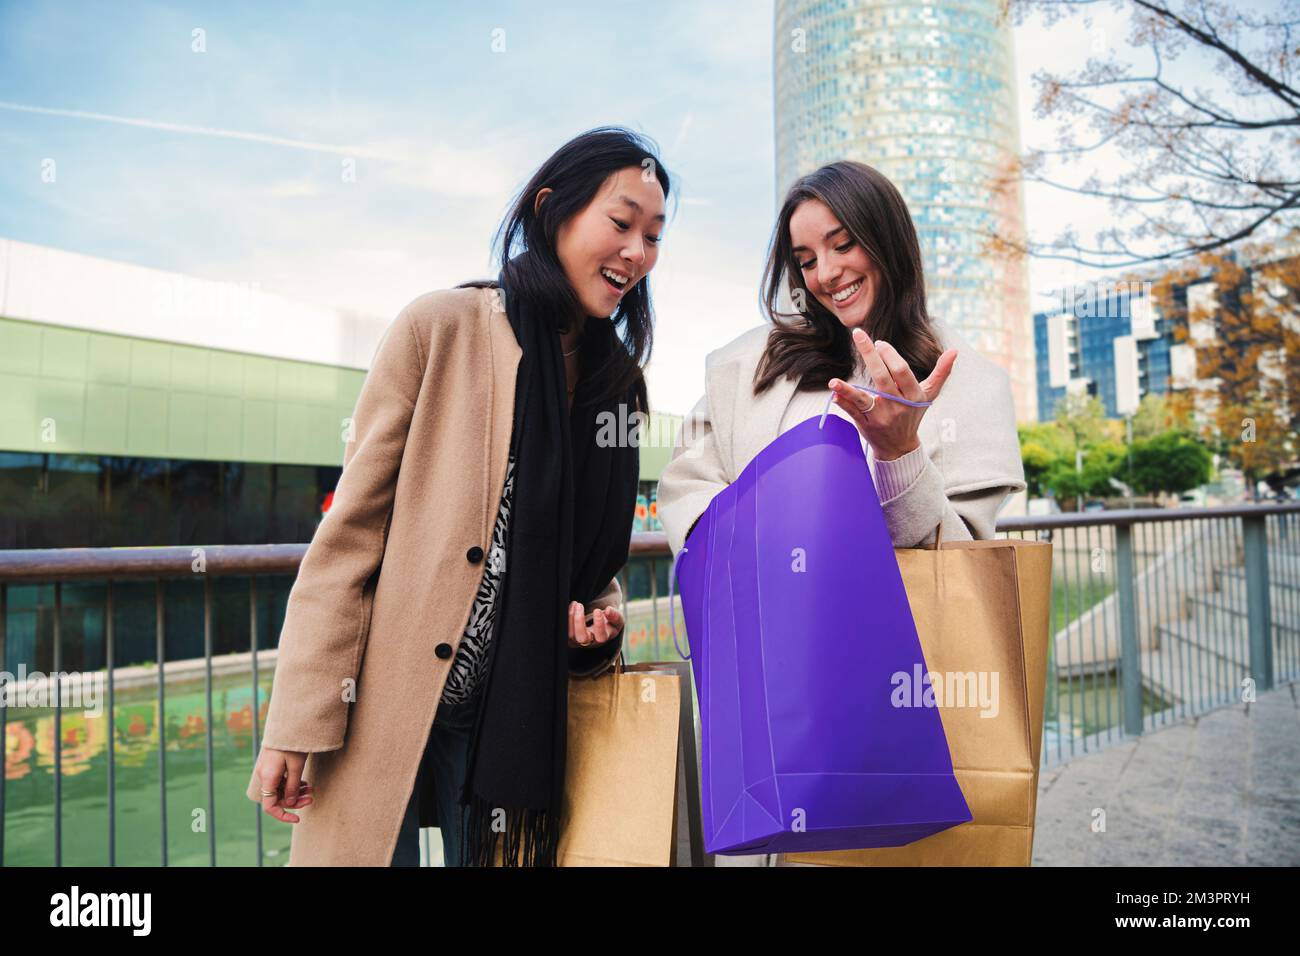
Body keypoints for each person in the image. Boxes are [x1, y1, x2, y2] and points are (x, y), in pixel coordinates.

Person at [245, 127, 671, 867]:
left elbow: (596, 569)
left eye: (655, 236)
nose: (637, 251)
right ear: (551, 212)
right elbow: (349, 540)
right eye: (621, 221)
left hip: (516, 725)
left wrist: (594, 630)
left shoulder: (617, 387)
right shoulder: (439, 329)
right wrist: (295, 721)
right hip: (382, 707)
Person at [659, 159, 1024, 558]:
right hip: (775, 617)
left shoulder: (970, 384)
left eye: (843, 244)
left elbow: (963, 561)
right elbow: (687, 487)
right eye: (807, 261)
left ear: (886, 239)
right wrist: (756, 549)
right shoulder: (749, 367)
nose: (827, 274)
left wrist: (899, 455)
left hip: (909, 621)